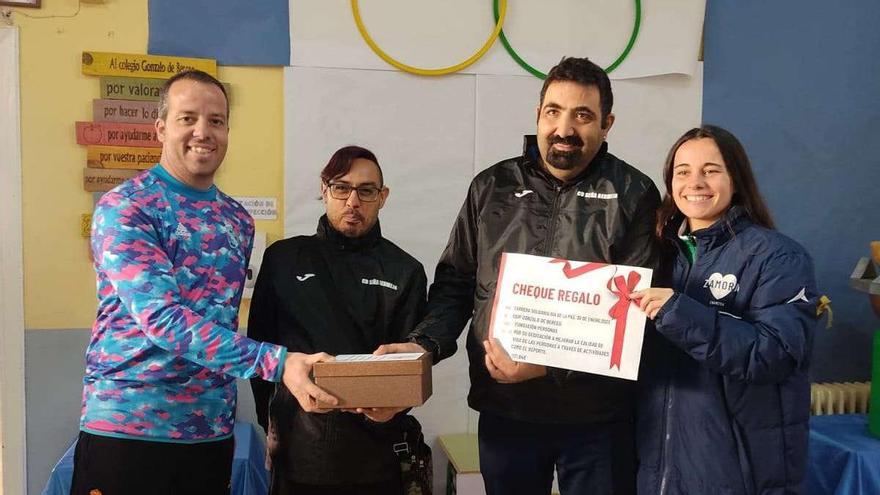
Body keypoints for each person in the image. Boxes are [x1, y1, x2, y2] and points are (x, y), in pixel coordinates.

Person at [378, 57, 660, 494]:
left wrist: (547, 367)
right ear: (538, 113)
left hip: (598, 418)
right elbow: (455, 283)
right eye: (554, 111)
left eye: (582, 115)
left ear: (607, 124)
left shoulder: (634, 194)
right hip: (506, 409)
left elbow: (634, 316)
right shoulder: (491, 187)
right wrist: (424, 345)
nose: (564, 128)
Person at [71, 70, 332, 495]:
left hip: (209, 432)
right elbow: (163, 320)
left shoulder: (237, 221)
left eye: (216, 120)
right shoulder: (126, 207)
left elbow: (220, 320)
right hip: (130, 429)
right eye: (187, 118)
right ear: (160, 127)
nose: (202, 132)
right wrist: (279, 363)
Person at [632, 125, 818, 494]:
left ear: (736, 178)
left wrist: (679, 313)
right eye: (683, 171)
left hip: (739, 473)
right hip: (661, 468)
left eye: (711, 170)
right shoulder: (657, 255)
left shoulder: (778, 256)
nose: (695, 182)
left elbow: (775, 354)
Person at [248, 146, 428, 495]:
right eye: (341, 188)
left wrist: (396, 404)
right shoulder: (283, 260)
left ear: (382, 196)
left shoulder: (405, 271)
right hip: (300, 452)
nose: (353, 201)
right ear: (324, 189)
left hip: (378, 457)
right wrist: (268, 423)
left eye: (366, 190)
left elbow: (413, 365)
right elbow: (259, 350)